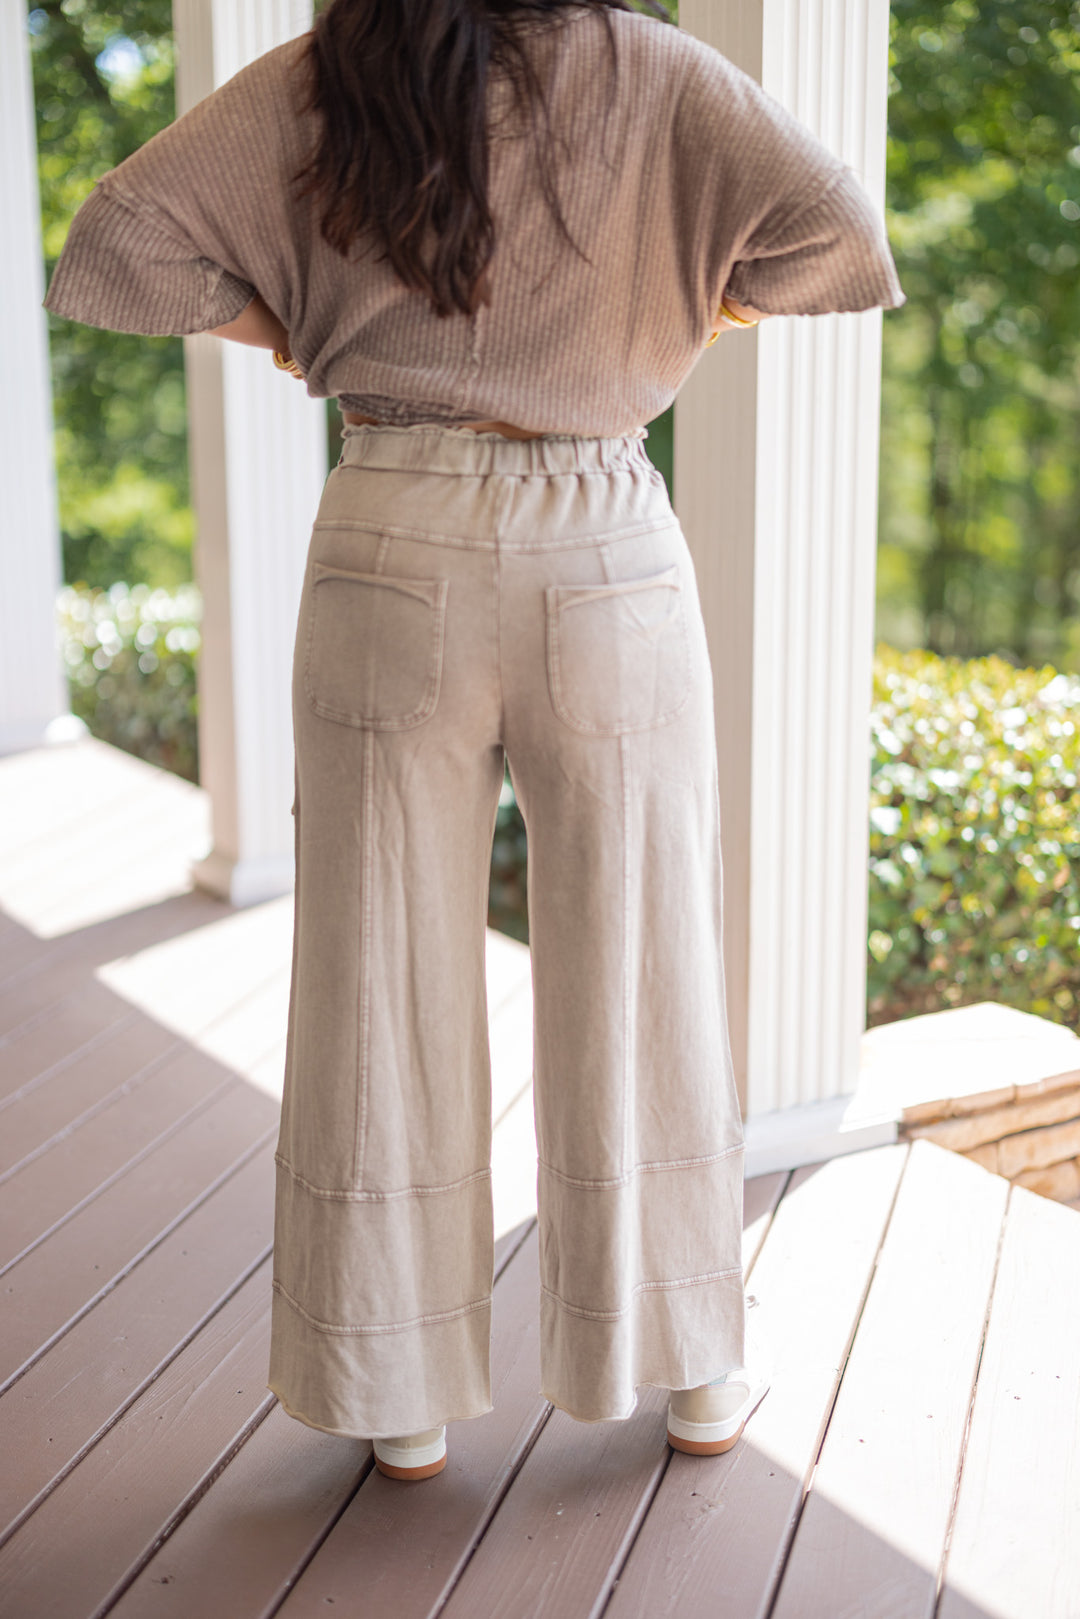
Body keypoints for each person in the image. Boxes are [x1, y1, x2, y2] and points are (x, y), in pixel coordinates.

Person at [43, 0, 904, 1483]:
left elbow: (116, 245)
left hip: (392, 527)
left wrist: (298, 334)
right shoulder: (651, 67)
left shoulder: (331, 73)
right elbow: (837, 230)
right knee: (642, 960)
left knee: (375, 968)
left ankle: (396, 1388)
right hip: (603, 542)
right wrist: (680, 306)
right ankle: (688, 1365)